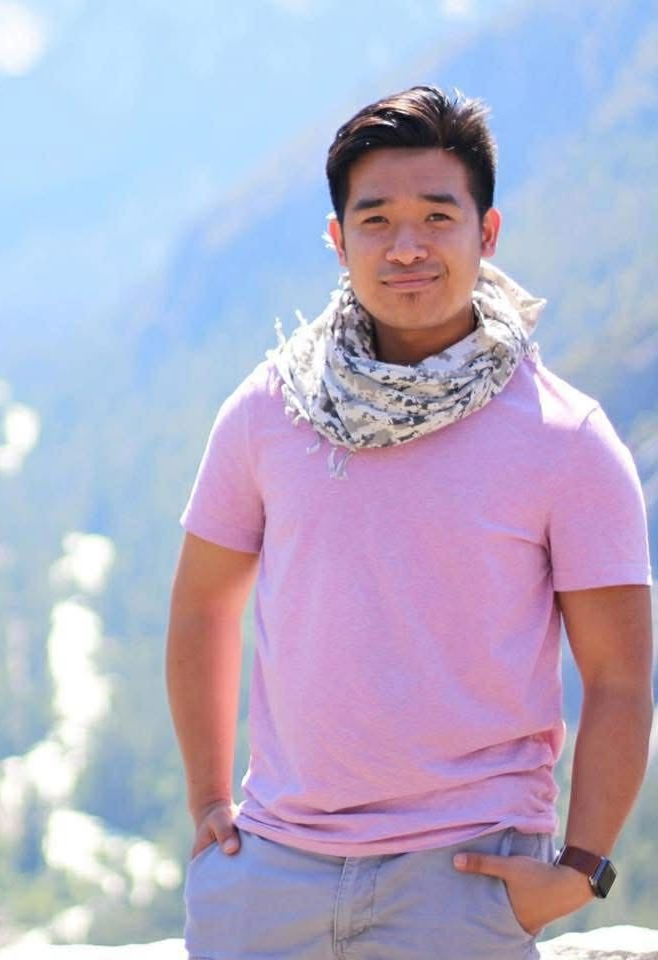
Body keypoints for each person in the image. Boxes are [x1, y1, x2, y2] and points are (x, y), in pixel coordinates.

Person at [166, 85, 653, 960]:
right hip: (270, 878)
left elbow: (620, 679)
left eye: (437, 216)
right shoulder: (271, 409)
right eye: (377, 221)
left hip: (463, 879)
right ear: (337, 239)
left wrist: (581, 870)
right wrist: (208, 805)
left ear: (486, 233)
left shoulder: (567, 440)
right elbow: (203, 606)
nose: (407, 247)